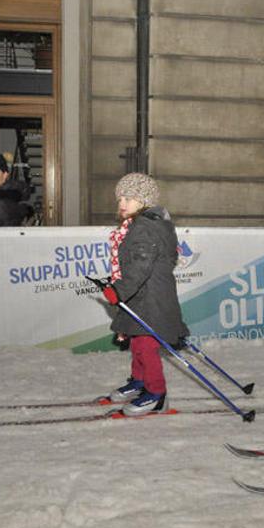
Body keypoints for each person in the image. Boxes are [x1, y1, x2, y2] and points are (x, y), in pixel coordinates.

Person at [99, 173, 189, 417]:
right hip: (144, 296)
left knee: (145, 347)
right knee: (138, 343)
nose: (122, 203)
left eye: (129, 198)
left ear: (144, 200)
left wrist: (118, 290)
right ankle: (140, 381)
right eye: (120, 198)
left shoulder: (145, 228)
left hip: (152, 298)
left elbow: (140, 267)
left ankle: (156, 395)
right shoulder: (145, 224)